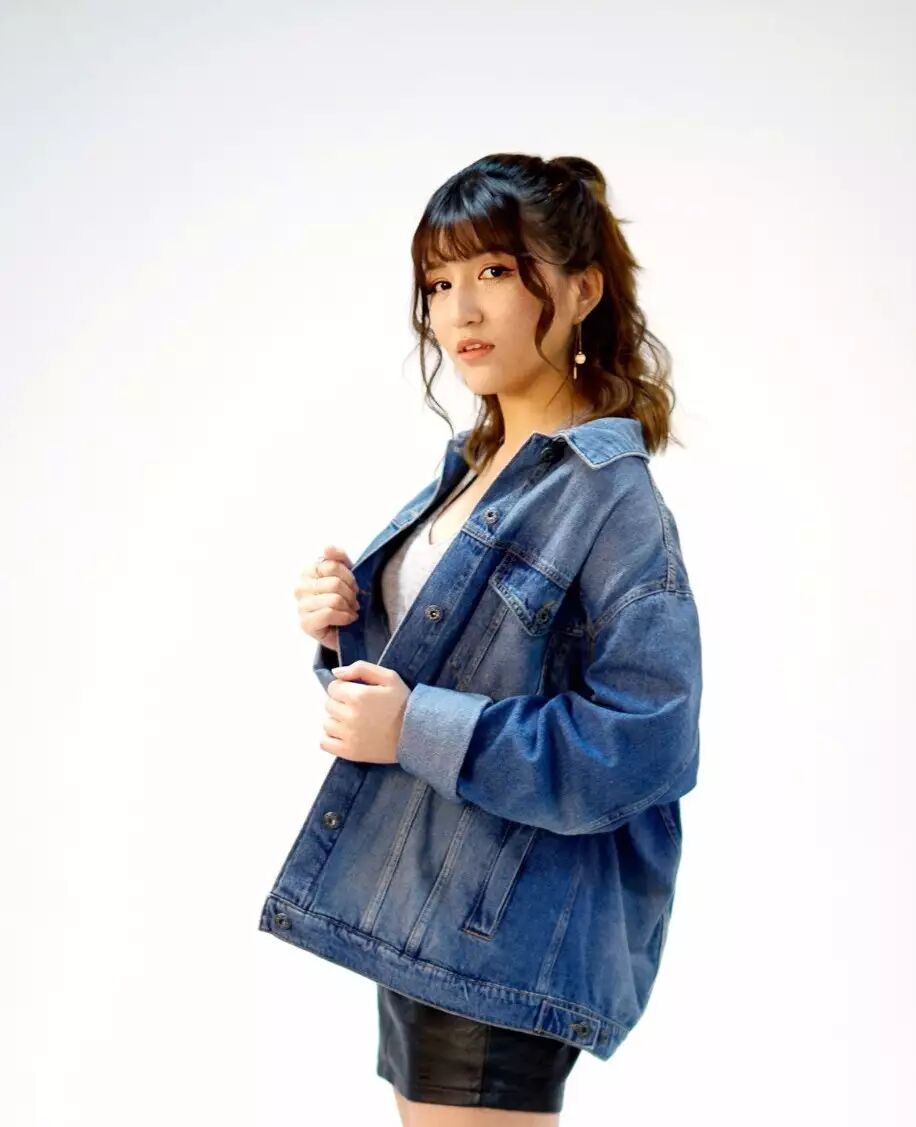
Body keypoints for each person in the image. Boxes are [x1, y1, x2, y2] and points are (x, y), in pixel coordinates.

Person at [266, 153, 703, 1125]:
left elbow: (644, 746)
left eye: (494, 272)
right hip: (419, 908)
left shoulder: (610, 499)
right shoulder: (474, 469)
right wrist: (342, 626)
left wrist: (411, 724)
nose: (458, 310)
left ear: (581, 289)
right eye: (438, 282)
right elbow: (441, 676)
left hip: (497, 930)